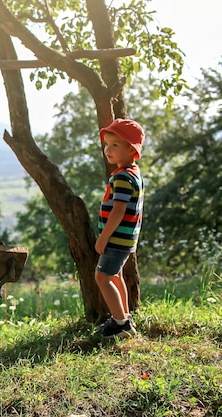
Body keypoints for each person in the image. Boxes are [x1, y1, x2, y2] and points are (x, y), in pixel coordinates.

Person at [95, 118, 145, 338]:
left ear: (131, 149)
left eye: (115, 145)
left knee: (102, 276)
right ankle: (124, 316)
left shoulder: (123, 177)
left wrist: (104, 237)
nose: (108, 150)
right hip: (126, 239)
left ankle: (120, 323)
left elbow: (119, 210)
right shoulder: (132, 172)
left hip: (116, 238)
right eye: (107, 144)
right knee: (115, 276)